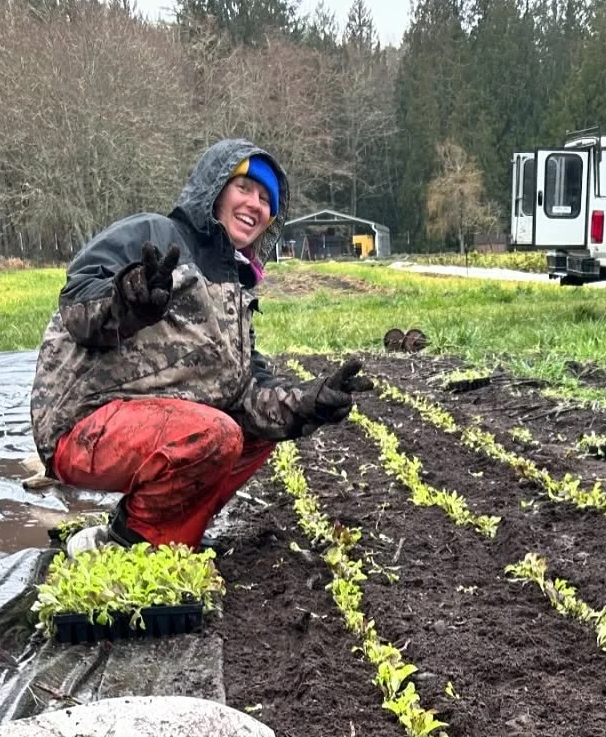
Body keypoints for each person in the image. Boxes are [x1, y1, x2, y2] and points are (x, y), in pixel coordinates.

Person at [31, 138, 368, 553]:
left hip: (162, 423)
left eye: (266, 199)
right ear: (214, 187)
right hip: (83, 426)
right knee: (215, 433)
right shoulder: (154, 232)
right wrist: (130, 297)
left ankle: (155, 538)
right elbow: (77, 305)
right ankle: (129, 542)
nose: (255, 204)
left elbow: (244, 389)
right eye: (244, 187)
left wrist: (309, 401)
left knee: (257, 431)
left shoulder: (236, 286)